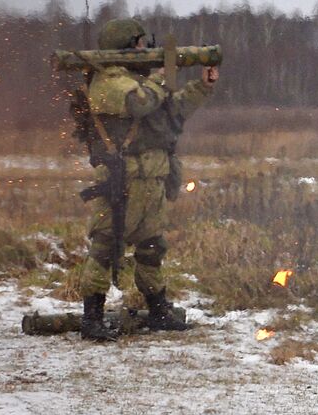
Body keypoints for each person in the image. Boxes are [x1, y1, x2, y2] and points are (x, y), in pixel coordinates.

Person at [71, 17, 219, 341]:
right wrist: (161, 77)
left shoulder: (143, 81)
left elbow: (172, 111)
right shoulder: (106, 82)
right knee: (105, 246)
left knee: (152, 247)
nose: (145, 49)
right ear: (124, 46)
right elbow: (139, 103)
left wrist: (203, 86)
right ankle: (92, 317)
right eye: (138, 44)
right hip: (121, 180)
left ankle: (158, 310)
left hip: (152, 180)